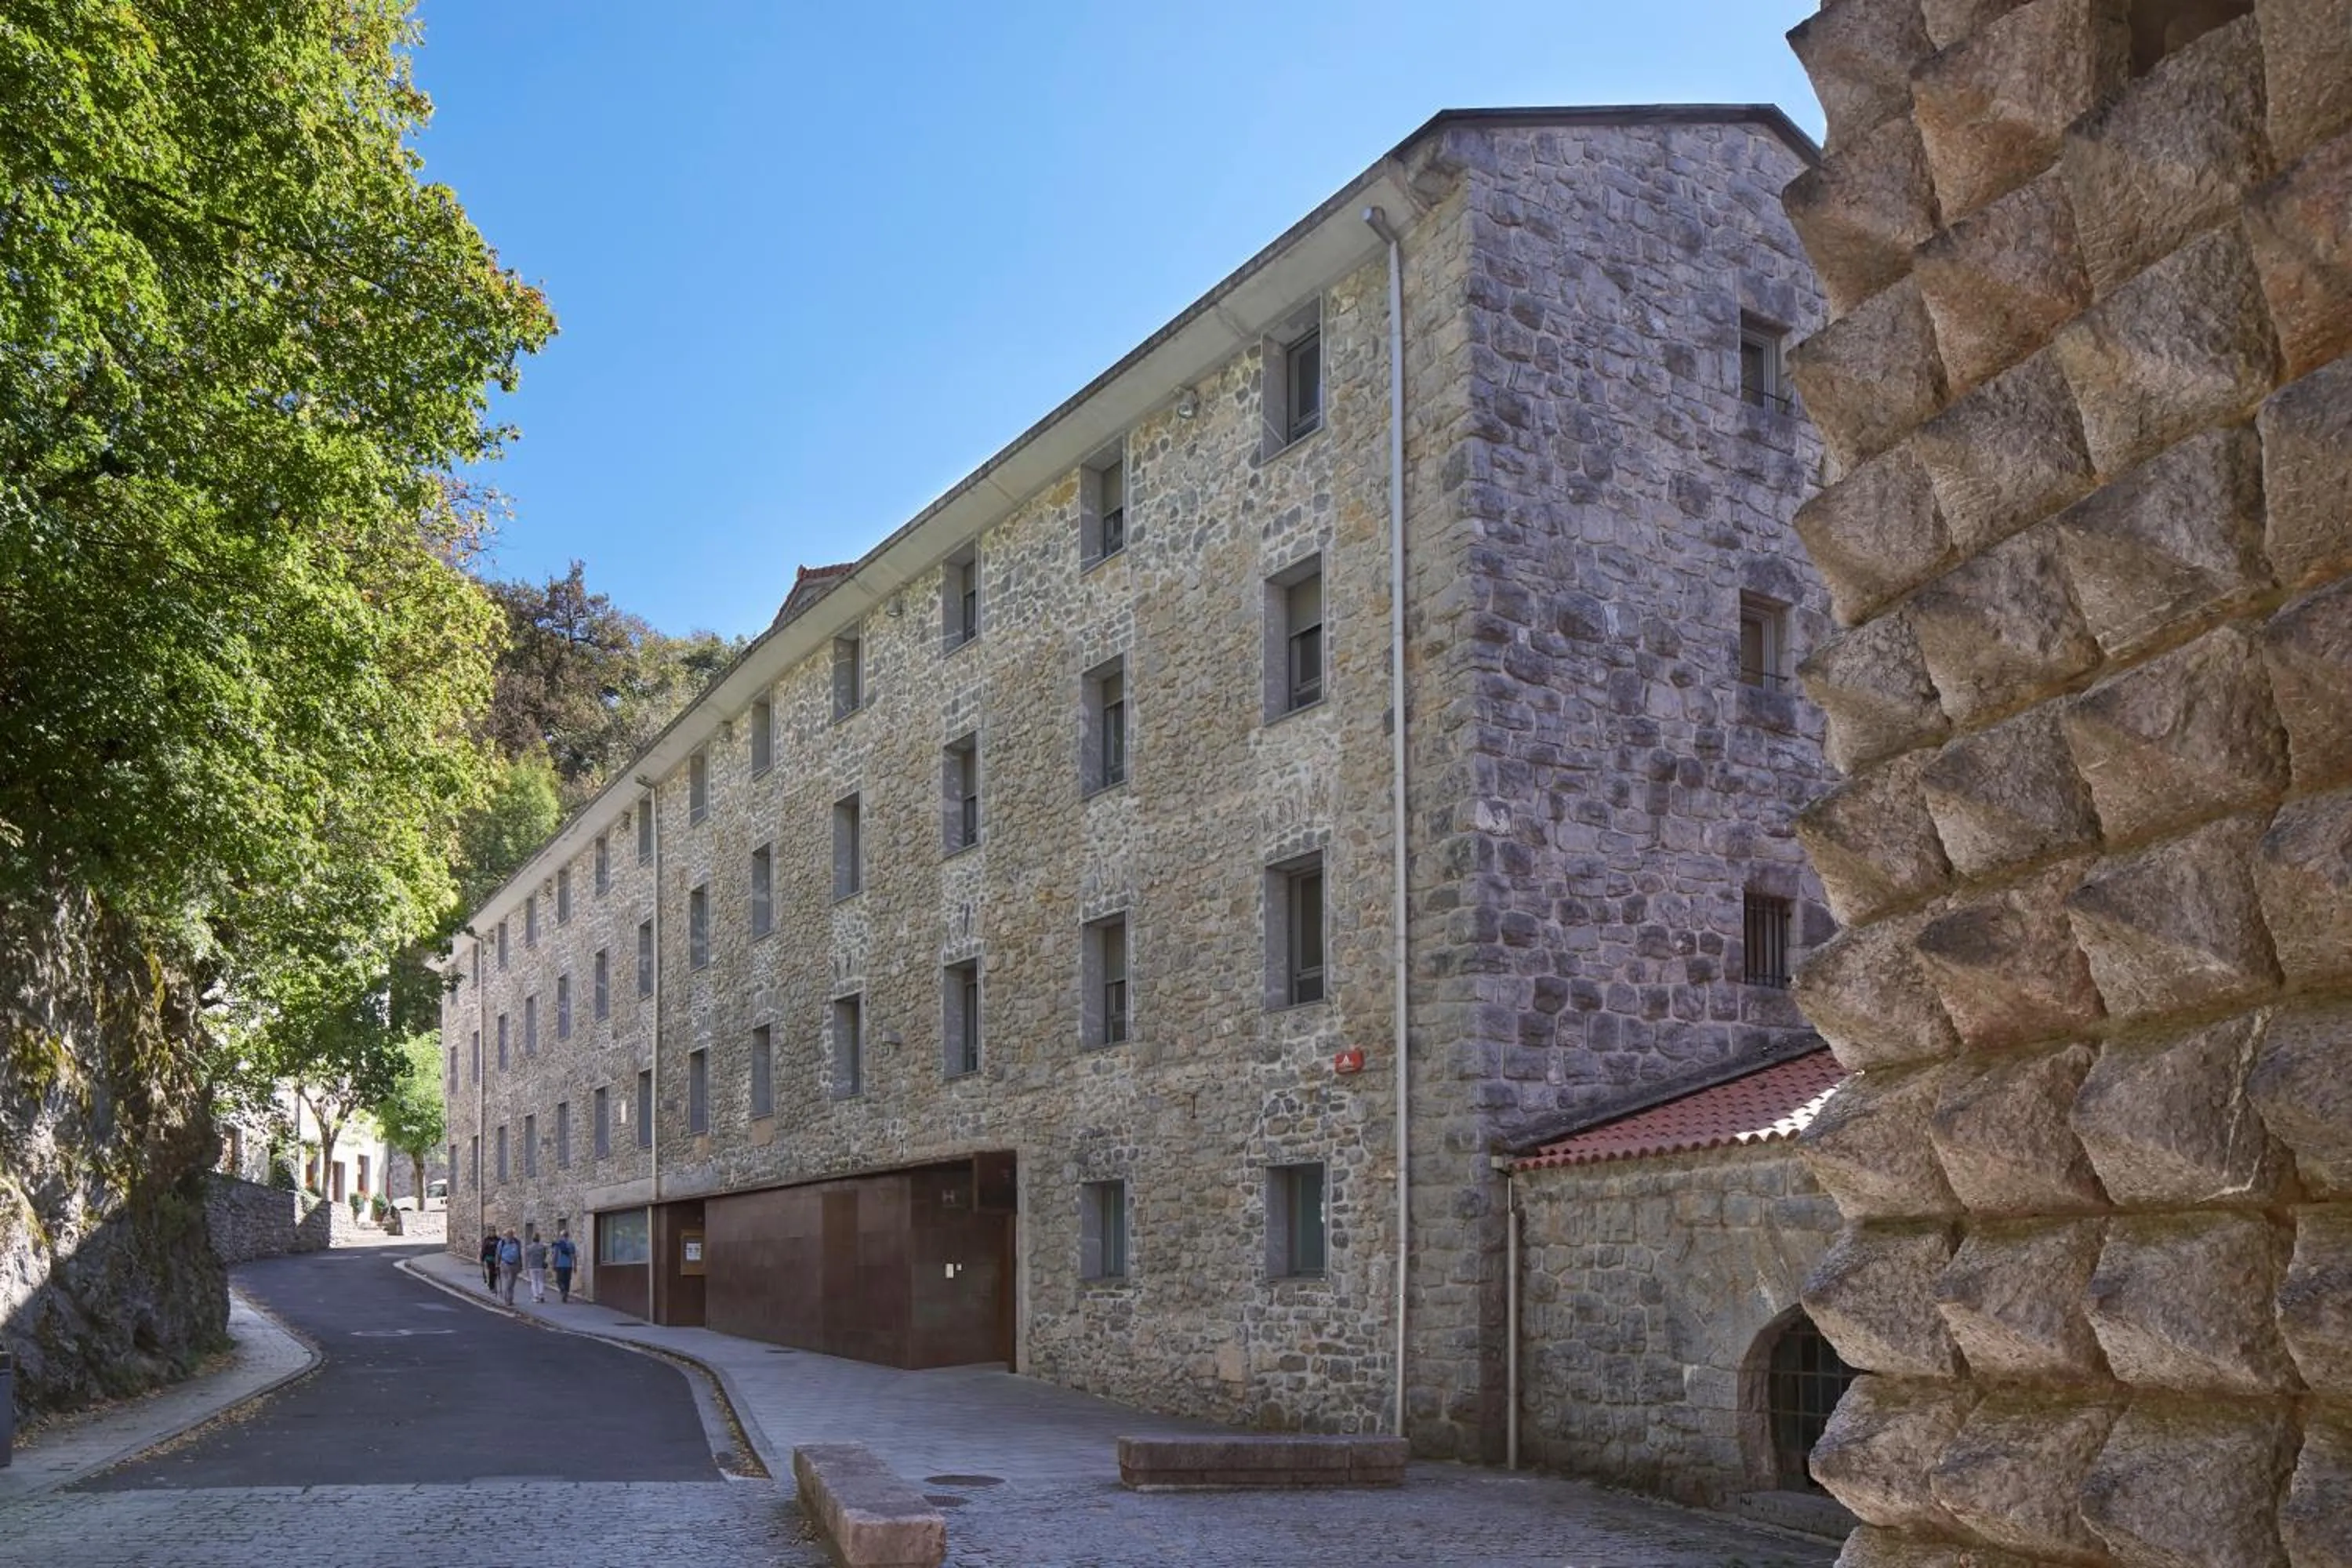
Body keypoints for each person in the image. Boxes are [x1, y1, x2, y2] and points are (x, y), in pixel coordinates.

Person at [550, 1229, 578, 1305]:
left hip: (560, 1265)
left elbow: (555, 1255)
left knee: (559, 1280)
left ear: (561, 1236)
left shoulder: (558, 1244)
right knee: (567, 1280)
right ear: (568, 1236)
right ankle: (566, 1292)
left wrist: (553, 1264)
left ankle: (563, 1291)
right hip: (568, 1265)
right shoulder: (572, 1244)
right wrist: (575, 1266)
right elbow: (574, 1256)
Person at [497, 1229, 523, 1305]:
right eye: (508, 1234)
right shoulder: (502, 1243)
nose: (509, 1236)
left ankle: (510, 1299)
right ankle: (507, 1299)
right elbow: (498, 1254)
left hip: (515, 1264)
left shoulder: (517, 1242)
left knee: (512, 1283)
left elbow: (519, 1254)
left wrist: (521, 1265)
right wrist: (497, 1264)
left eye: (511, 1234)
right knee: (508, 1282)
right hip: (505, 1264)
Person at [524, 1232, 550, 1304]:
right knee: (541, 1281)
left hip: (532, 1266)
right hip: (540, 1266)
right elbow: (544, 1255)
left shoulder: (529, 1247)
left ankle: (536, 1296)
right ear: (539, 1239)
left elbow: (527, 1256)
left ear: (533, 1239)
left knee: (534, 1281)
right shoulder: (542, 1247)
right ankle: (541, 1295)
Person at [479, 1230, 499, 1294]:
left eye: (493, 1231)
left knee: (495, 1273)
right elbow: (484, 1250)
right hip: (489, 1259)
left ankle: (493, 1285)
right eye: (491, 1231)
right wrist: (482, 1259)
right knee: (491, 1273)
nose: (492, 1233)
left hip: (497, 1259)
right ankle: (491, 1287)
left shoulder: (498, 1240)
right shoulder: (486, 1240)